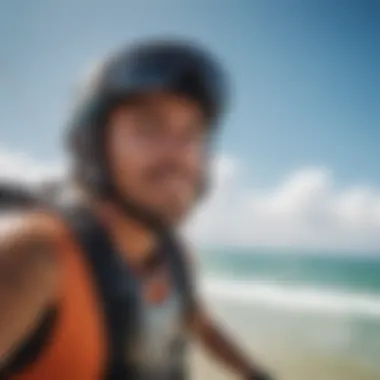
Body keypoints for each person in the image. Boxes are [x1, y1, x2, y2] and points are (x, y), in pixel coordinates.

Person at [0, 39, 274, 380]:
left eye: (193, 133)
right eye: (149, 126)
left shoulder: (175, 255)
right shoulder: (37, 254)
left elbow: (199, 324)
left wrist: (256, 372)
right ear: (94, 146)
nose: (180, 154)